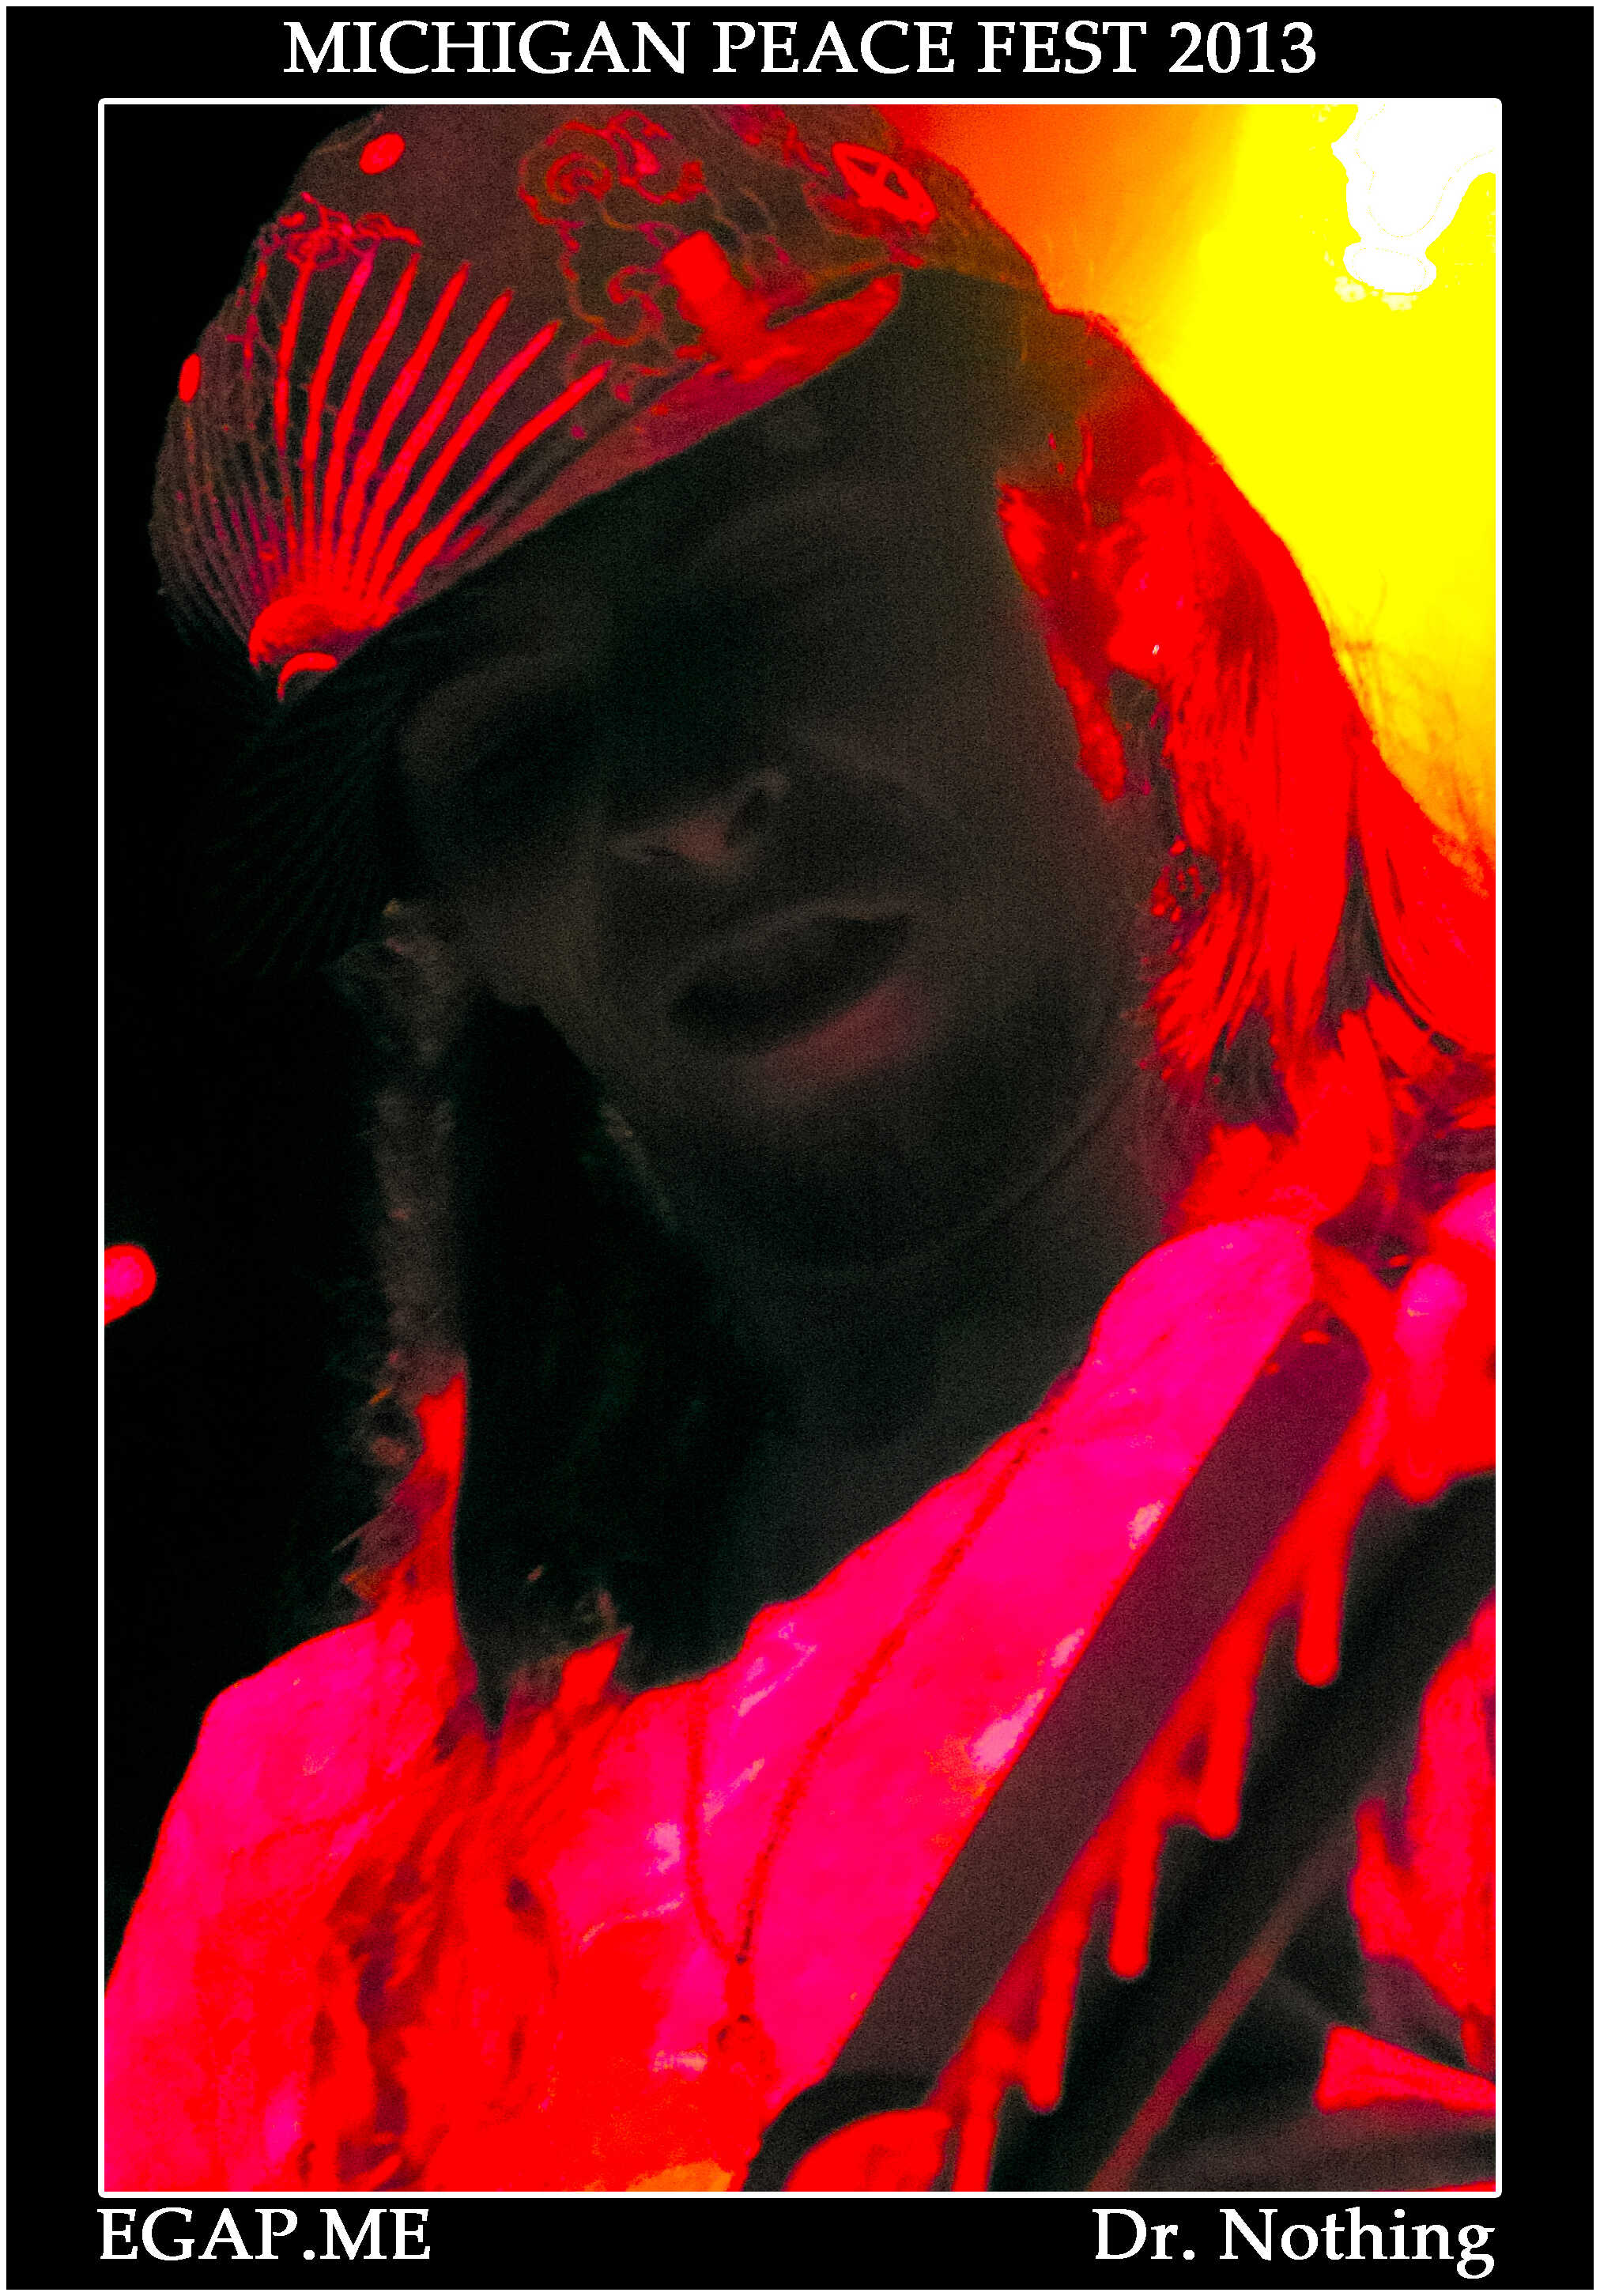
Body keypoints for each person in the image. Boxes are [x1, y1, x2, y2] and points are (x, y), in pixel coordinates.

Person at [105, 104, 1495, 2193]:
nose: (679, 806)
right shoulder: (289, 1830)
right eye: (515, 745)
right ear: (464, 926)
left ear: (1096, 546)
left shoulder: (1473, 1390)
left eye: (783, 590)